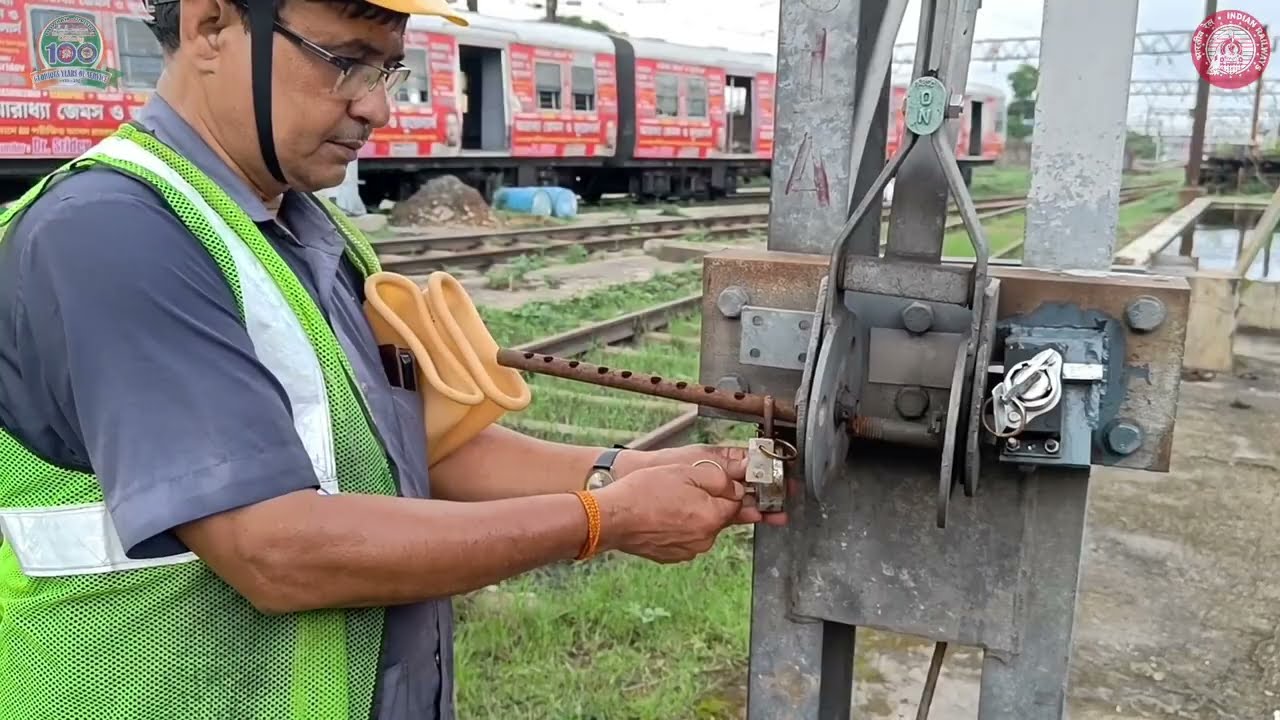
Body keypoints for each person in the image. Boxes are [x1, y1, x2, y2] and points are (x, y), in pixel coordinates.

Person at [0, 0, 785, 718]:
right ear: (211, 27)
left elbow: (416, 450)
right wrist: (598, 522)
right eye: (344, 60)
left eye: (388, 69)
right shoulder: (112, 236)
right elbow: (273, 551)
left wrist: (617, 472)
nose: (376, 104)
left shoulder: (310, 234)